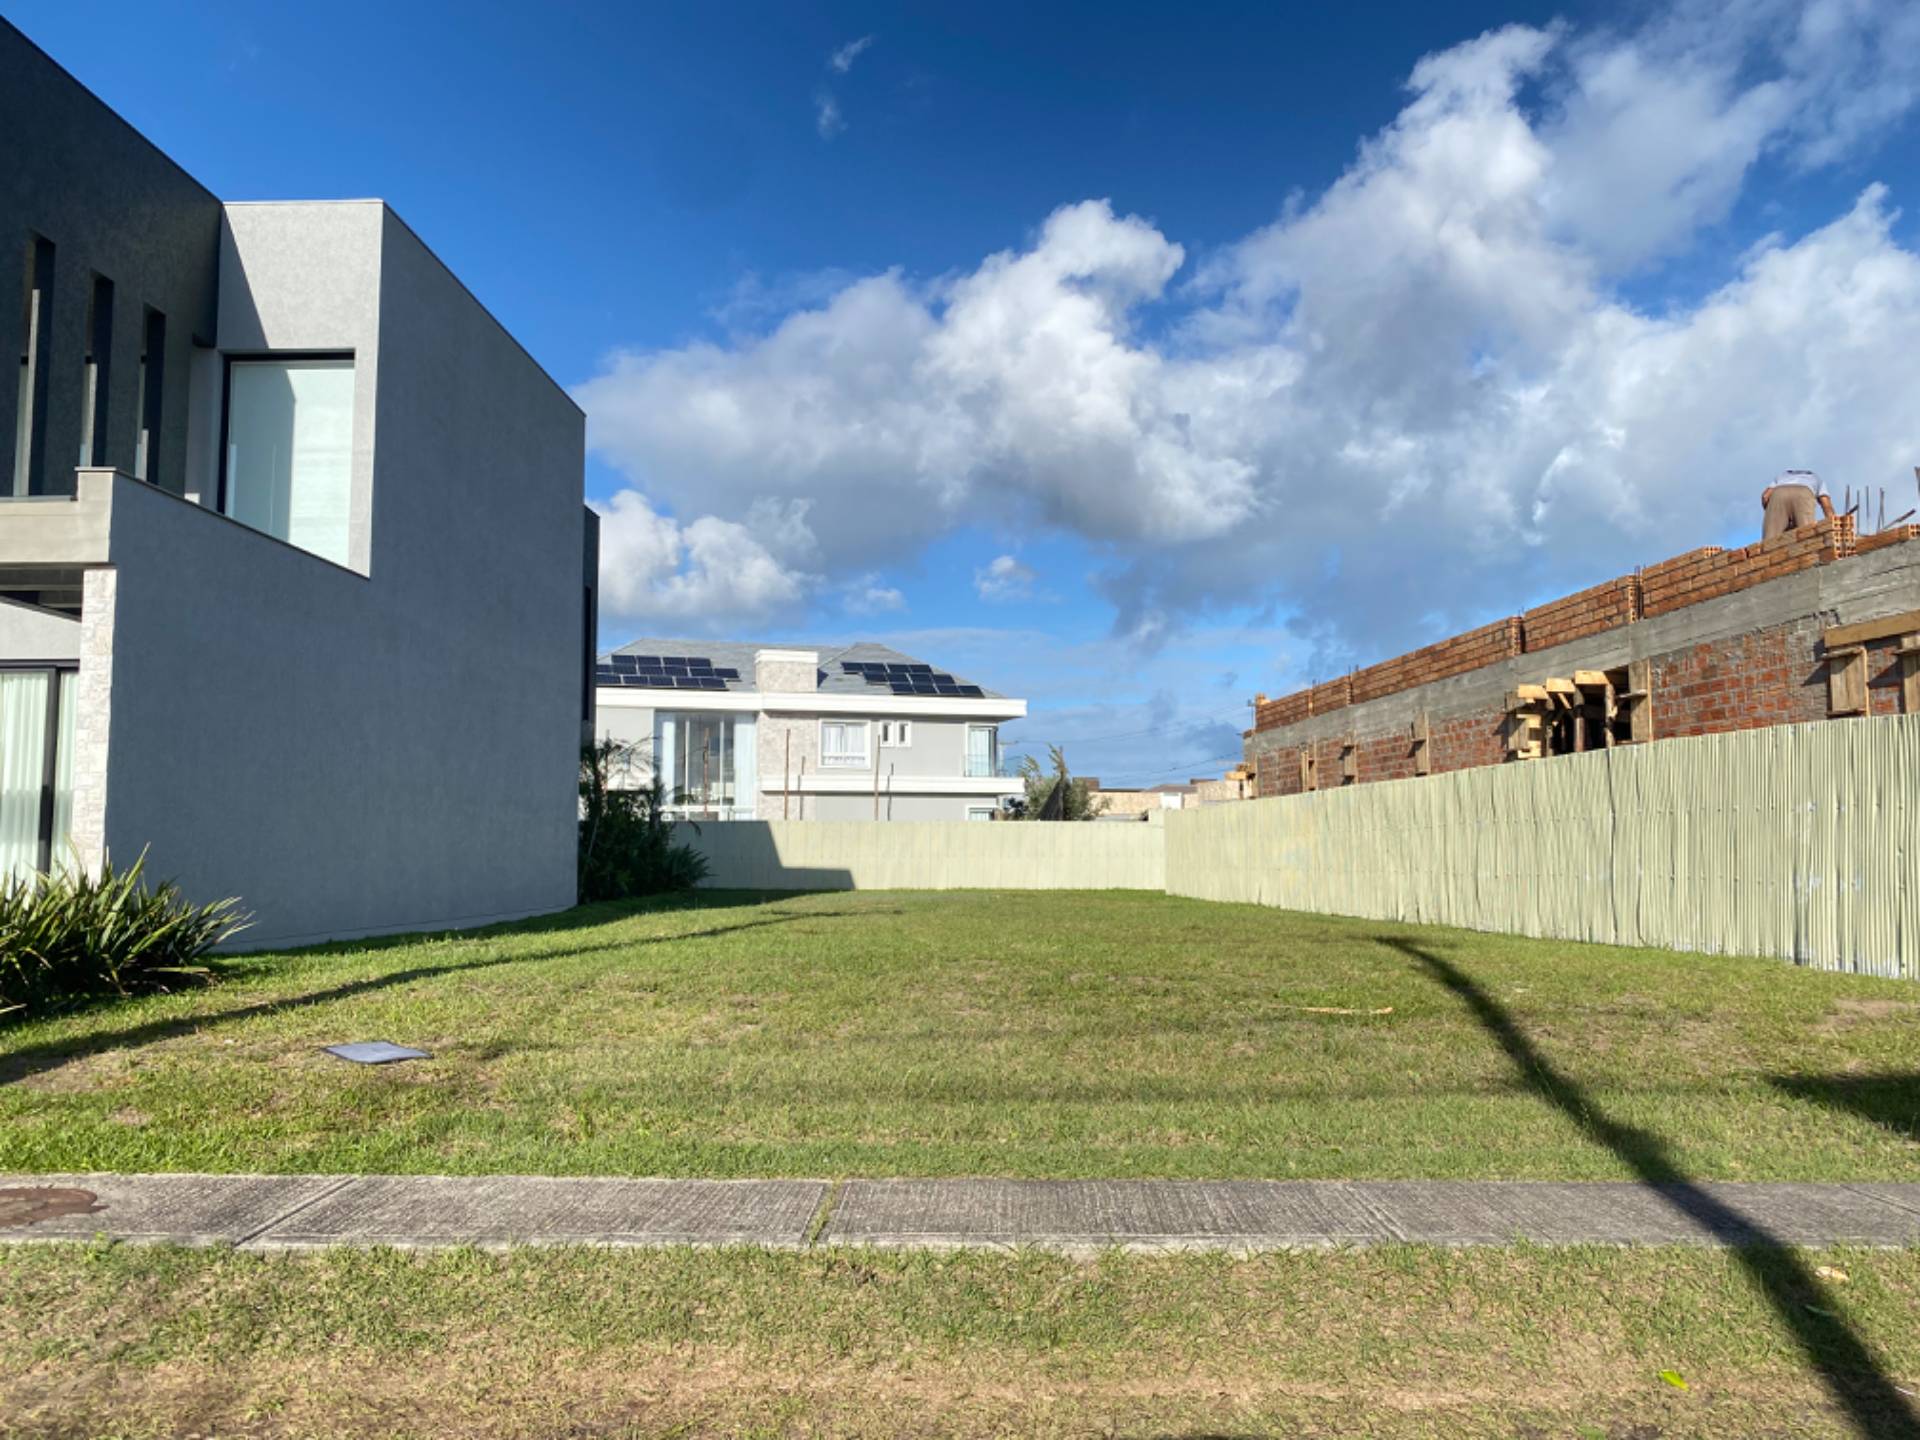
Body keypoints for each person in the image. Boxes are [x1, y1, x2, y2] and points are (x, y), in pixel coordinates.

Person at [1760, 470, 1835, 539]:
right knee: (1807, 538)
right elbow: (1827, 506)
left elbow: (1765, 496)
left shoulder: (1782, 475)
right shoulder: (1816, 478)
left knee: (1770, 541)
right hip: (1804, 494)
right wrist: (1834, 525)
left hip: (1779, 493)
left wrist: (1771, 512)